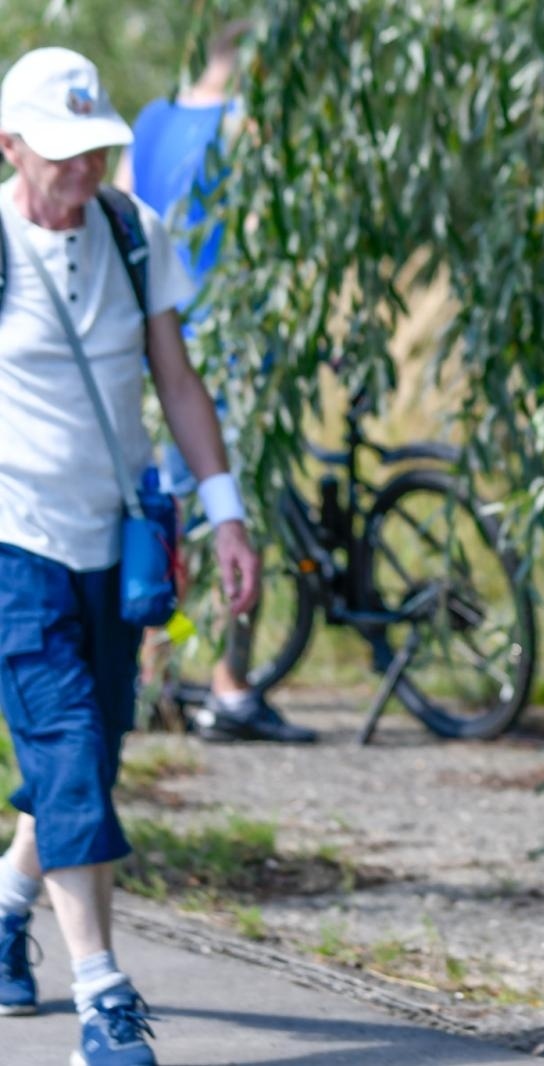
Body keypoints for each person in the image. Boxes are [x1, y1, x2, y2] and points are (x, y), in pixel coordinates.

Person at [0, 46, 261, 1065]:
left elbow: (180, 385)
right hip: (14, 543)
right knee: (65, 746)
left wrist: (227, 515)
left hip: (114, 541)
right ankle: (105, 998)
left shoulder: (130, 230)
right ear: (10, 145)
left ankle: (7, 908)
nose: (82, 173)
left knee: (93, 756)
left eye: (94, 151)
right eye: (60, 155)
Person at [111, 20, 314, 744]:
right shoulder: (248, 125)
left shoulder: (153, 119)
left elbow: (124, 212)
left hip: (158, 345)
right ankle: (230, 686)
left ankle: (154, 675)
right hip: (228, 352)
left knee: (167, 519)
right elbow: (278, 231)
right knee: (236, 514)